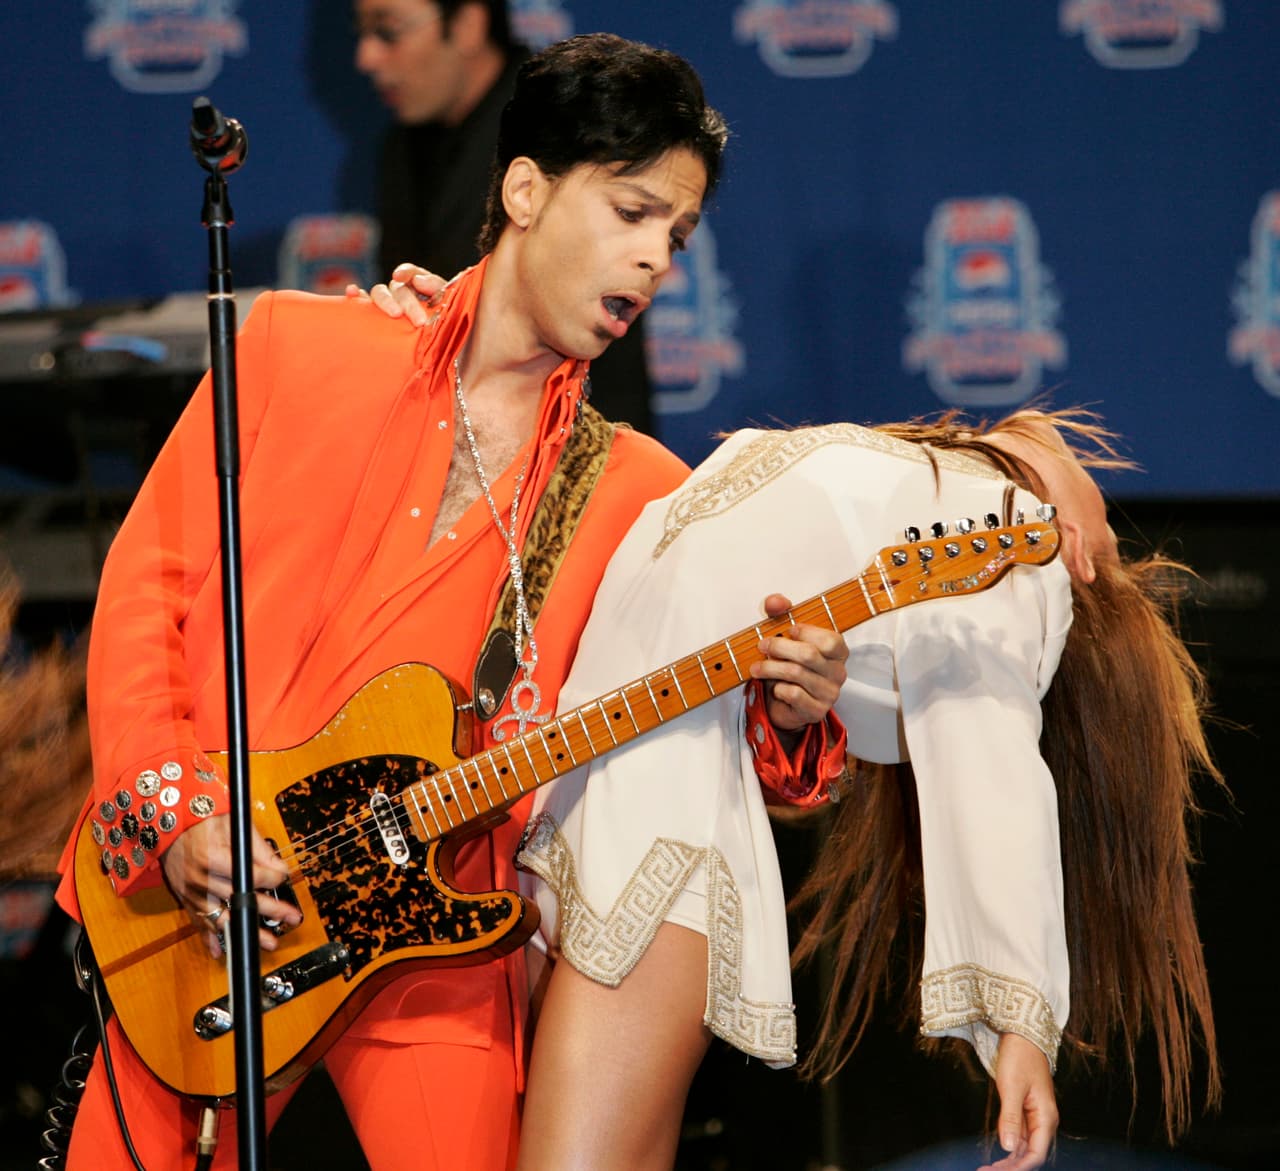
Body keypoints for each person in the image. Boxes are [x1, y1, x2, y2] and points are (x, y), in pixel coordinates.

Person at [52, 34, 846, 1171]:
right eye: (629, 212)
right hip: (206, 903)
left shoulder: (642, 492)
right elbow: (146, 599)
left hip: (438, 940)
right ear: (524, 189)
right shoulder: (291, 345)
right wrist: (177, 821)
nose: (654, 260)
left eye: (673, 235)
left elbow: (736, 751)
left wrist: (795, 709)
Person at [494, 408, 1220, 1171]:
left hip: (579, 801)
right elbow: (989, 762)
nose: (1103, 551)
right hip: (634, 815)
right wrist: (1022, 1028)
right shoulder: (1011, 534)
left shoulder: (889, 483)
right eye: (1102, 537)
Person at [354, 0, 655, 432]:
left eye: (388, 31)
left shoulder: (568, 133)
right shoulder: (400, 152)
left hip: (574, 450)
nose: (366, 57)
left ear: (469, 24)